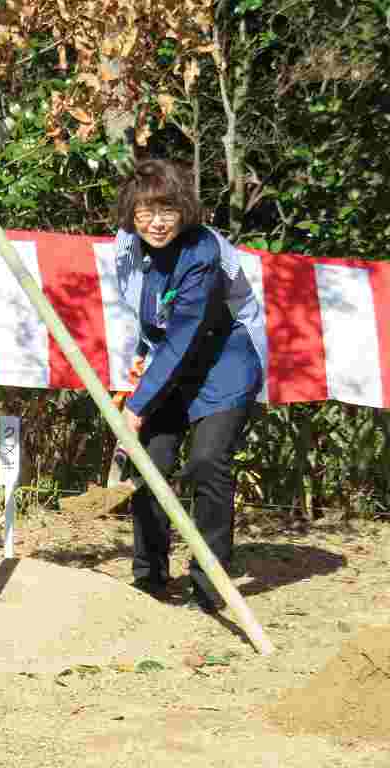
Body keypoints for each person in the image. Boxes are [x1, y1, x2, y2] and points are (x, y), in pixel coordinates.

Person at [113, 158, 267, 614]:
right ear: (131, 212)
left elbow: (186, 331)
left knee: (207, 462)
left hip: (225, 361)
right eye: (145, 211)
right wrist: (139, 357)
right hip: (170, 363)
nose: (156, 223)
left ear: (184, 210)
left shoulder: (203, 251)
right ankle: (150, 575)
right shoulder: (127, 246)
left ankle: (210, 581)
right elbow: (139, 310)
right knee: (151, 463)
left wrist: (137, 405)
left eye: (167, 211)